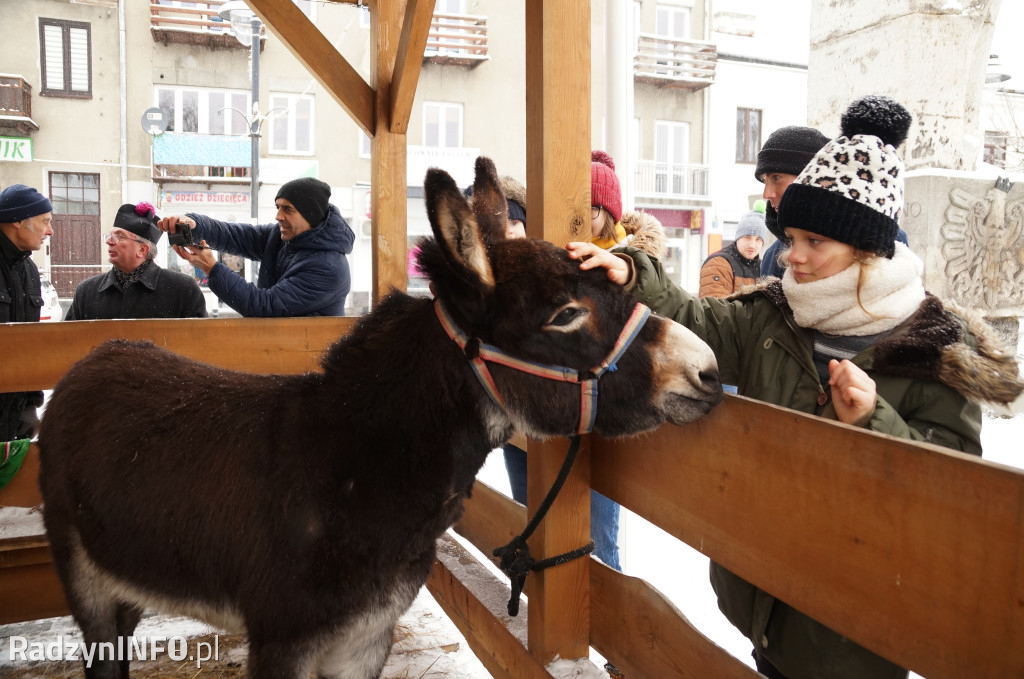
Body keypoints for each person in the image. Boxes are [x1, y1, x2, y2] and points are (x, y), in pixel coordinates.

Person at [568, 95, 1024, 679]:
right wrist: (635, 273)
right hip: (762, 591)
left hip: (851, 629)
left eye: (815, 243)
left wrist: (873, 419)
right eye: (793, 237)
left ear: (866, 249)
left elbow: (953, 495)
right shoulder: (775, 313)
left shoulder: (934, 348)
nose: (793, 258)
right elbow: (698, 319)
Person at [478, 174, 627, 571]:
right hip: (527, 422)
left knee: (594, 542)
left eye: (513, 221)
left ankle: (600, 622)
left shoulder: (611, 266)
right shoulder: (495, 282)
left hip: (586, 423)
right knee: (531, 526)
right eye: (497, 224)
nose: (507, 231)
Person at [158, 177, 355, 317]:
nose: (278, 216)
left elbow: (263, 306)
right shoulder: (282, 238)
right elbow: (235, 236)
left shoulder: (328, 267)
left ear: (310, 215)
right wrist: (194, 224)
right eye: (278, 207)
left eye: (288, 209)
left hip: (312, 362)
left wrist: (213, 268)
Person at [65, 202, 207, 320]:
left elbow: (201, 344)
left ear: (142, 250)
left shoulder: (182, 289)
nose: (109, 241)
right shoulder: (86, 291)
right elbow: (67, 345)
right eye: (110, 235)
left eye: (119, 236)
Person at [0, 184, 53, 443]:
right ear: (17, 221)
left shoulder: (29, 270)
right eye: (44, 222)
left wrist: (30, 405)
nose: (50, 231)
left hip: (14, 415)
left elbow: (30, 345)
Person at [754, 126, 830, 279]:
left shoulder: (873, 248)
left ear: (811, 179)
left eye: (776, 178)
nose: (766, 194)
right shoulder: (772, 256)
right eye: (764, 181)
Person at [699, 207, 766, 298]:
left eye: (758, 239)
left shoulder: (763, 266)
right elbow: (715, 308)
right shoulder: (718, 263)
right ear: (738, 237)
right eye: (747, 237)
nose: (752, 245)